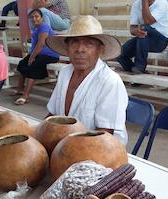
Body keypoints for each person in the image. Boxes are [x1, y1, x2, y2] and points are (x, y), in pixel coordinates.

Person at [45, 15, 128, 144]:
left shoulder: (110, 81)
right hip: (65, 146)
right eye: (74, 42)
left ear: (100, 49)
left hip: (102, 150)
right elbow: (53, 116)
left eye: (89, 44)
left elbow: (104, 136)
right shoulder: (64, 73)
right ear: (67, 48)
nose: (80, 49)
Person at [13, 9, 59, 105]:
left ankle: (25, 96)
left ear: (41, 18)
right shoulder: (36, 29)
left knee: (32, 67)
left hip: (49, 55)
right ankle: (20, 90)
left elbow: (41, 44)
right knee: (22, 64)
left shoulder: (44, 26)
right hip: (39, 54)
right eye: (32, 17)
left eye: (37, 16)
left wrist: (31, 57)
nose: (34, 19)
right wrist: (30, 56)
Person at [117, 0, 168, 74]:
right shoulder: (136, 4)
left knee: (144, 28)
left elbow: (147, 21)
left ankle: (140, 66)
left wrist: (144, 2)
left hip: (160, 41)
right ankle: (140, 72)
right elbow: (132, 28)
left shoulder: (161, 2)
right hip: (143, 40)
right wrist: (136, 31)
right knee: (120, 54)